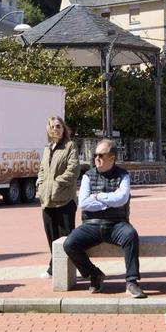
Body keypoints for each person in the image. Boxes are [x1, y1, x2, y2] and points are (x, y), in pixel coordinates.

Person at [62, 139, 145, 298]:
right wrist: (109, 202)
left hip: (117, 223)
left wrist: (99, 196)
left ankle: (131, 282)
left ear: (112, 157)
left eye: (101, 155)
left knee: (131, 235)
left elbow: (121, 198)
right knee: (70, 244)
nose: (96, 158)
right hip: (91, 224)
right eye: (95, 155)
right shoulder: (88, 176)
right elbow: (84, 203)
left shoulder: (123, 175)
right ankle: (94, 274)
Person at [35, 116, 79, 278]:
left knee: (67, 238)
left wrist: (56, 184)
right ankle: (55, 267)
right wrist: (40, 182)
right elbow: (42, 169)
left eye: (58, 126)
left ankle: (72, 268)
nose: (55, 129)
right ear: (48, 129)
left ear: (63, 128)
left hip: (64, 200)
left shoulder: (70, 146)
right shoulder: (47, 149)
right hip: (47, 201)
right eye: (52, 126)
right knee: (52, 237)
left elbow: (73, 170)